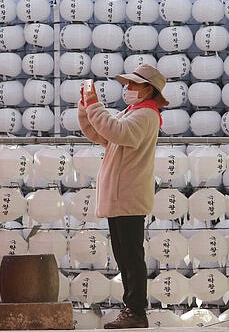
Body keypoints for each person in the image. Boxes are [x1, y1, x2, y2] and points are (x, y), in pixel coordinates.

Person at [77, 64, 168, 329]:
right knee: (125, 256)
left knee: (131, 257)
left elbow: (116, 131)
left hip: (127, 195)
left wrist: (94, 105)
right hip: (121, 197)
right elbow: (102, 133)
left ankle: (136, 311)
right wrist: (86, 109)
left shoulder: (145, 116)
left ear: (148, 89)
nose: (127, 88)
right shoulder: (134, 112)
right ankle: (133, 310)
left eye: (133, 84)